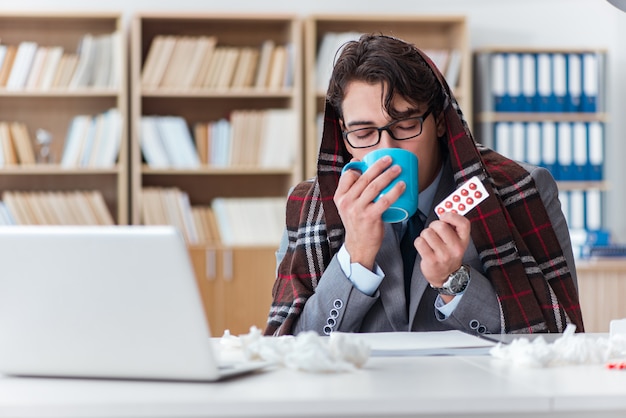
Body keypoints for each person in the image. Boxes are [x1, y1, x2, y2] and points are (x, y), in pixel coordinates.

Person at [265, 34, 584, 336]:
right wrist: (355, 257)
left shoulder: (520, 189)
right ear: (344, 138)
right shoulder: (309, 206)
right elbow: (292, 346)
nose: (386, 151)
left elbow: (555, 339)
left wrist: (454, 281)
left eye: (405, 125)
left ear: (441, 121)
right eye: (363, 134)